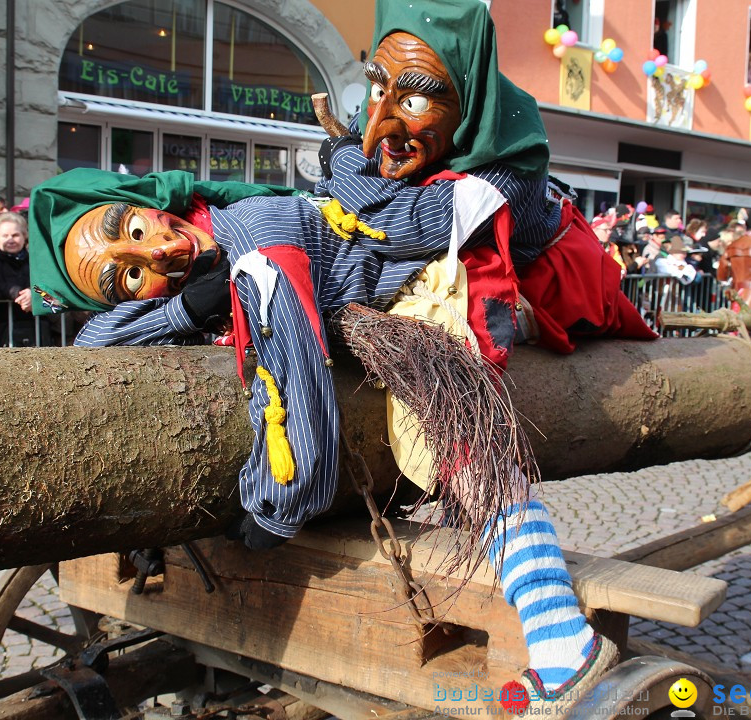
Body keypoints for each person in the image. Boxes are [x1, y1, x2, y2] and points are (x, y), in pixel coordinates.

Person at [33, 2, 655, 712]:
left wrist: (272, 513)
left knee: (443, 438)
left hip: (490, 270)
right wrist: (182, 307)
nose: (159, 251)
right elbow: (91, 344)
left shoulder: (266, 231)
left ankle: (561, 638)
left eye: (137, 227)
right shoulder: (224, 242)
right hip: (409, 258)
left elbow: (300, 390)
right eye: (128, 276)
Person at [0, 211, 45, 346]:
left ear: (24, 236)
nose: (10, 240)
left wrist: (34, 293)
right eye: (5, 236)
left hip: (36, 329)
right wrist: (15, 292)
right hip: (0, 330)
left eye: (15, 235)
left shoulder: (37, 262)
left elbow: (48, 286)